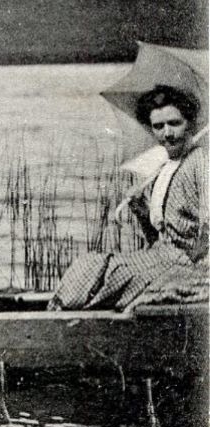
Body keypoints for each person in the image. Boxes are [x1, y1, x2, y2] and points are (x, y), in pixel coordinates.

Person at [50, 85, 207, 310]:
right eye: (158, 126)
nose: (167, 133)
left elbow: (207, 226)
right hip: (159, 255)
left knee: (115, 271)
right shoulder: (163, 169)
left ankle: (69, 316)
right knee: (90, 264)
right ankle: (62, 312)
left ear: (190, 123)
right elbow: (157, 238)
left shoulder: (200, 161)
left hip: (187, 263)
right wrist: (142, 211)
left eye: (175, 123)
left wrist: (192, 259)